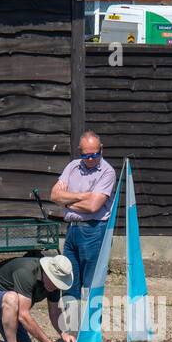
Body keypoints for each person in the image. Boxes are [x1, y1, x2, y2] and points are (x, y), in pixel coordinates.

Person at [50, 131, 117, 316]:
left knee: (91, 285)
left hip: (94, 231)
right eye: (85, 155)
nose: (90, 159)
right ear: (80, 151)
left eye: (94, 154)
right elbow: (54, 195)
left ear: (101, 149)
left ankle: (90, 335)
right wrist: (81, 196)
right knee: (69, 282)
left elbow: (93, 206)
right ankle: (71, 334)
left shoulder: (107, 172)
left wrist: (67, 201)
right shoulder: (72, 167)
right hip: (72, 230)